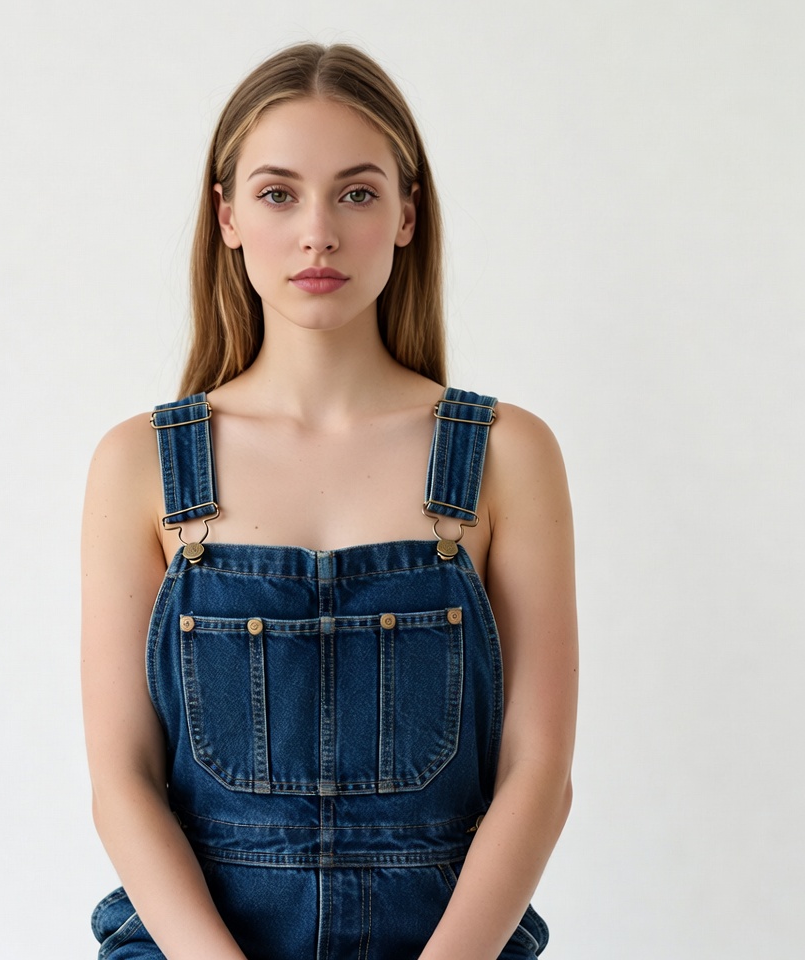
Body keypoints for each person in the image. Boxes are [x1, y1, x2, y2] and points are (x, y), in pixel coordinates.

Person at [81, 42, 577, 960]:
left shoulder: (509, 455)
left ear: (406, 215)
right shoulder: (140, 463)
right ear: (227, 216)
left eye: (356, 193)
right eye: (279, 194)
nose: (318, 233)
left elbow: (537, 773)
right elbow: (124, 780)